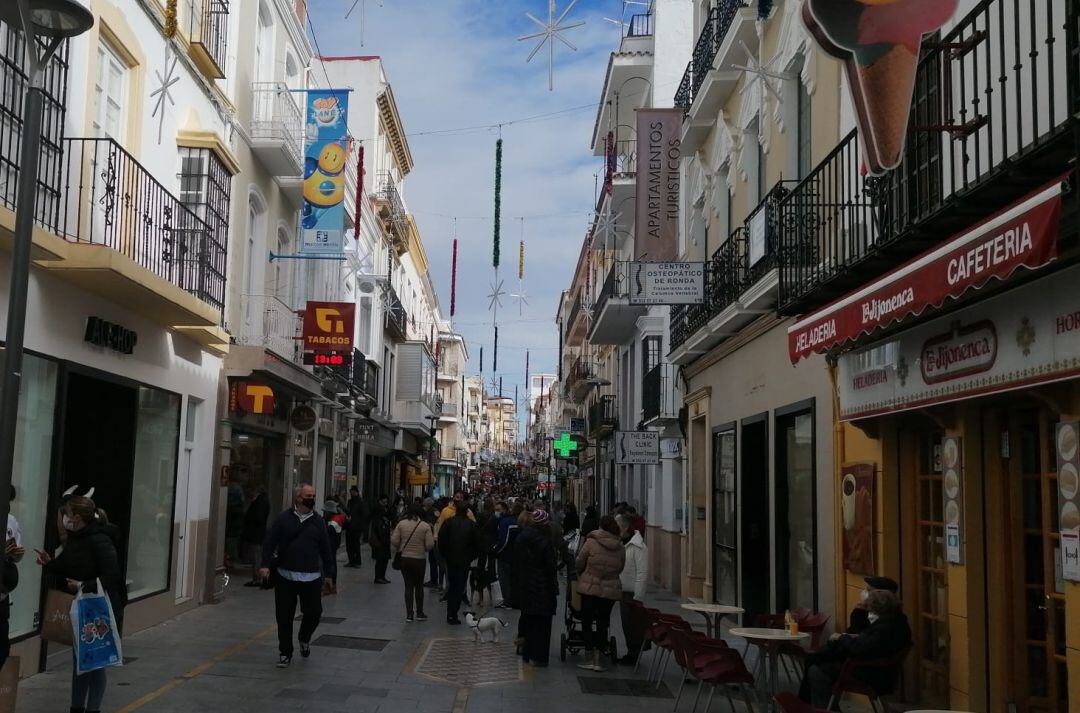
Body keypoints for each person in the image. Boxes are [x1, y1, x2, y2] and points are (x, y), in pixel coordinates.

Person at [35, 496, 125, 713]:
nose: (64, 518)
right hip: (82, 605)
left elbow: (112, 576)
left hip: (100, 607)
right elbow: (68, 565)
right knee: (81, 662)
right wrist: (50, 564)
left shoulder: (100, 539)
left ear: (76, 517)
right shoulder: (77, 538)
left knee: (95, 661)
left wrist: (84, 585)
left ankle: (92, 709)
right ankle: (76, 707)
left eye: (66, 513)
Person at [259, 484, 337, 668]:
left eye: (313, 495)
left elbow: (326, 550)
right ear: (298, 498)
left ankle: (304, 637)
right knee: (284, 616)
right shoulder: (283, 518)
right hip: (285, 576)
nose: (312, 498)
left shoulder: (318, 522)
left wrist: (329, 575)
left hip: (311, 577)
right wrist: (264, 565)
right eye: (308, 495)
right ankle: (285, 652)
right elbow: (269, 542)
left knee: (314, 613)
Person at [800, 590, 912, 708]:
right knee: (817, 658)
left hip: (869, 672)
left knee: (816, 670)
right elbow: (868, 641)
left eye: (870, 610)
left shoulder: (886, 628)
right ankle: (805, 705)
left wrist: (842, 638)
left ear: (879, 609)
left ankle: (808, 705)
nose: (869, 614)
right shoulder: (895, 623)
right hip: (871, 667)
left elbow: (861, 649)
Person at [575, 515, 625, 672]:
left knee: (587, 620)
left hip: (590, 587)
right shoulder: (620, 546)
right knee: (603, 622)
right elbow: (620, 567)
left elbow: (579, 562)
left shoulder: (591, 542)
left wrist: (584, 572)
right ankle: (599, 655)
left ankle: (589, 655)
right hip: (610, 589)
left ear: (601, 527)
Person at [512, 509, 557, 666]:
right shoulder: (546, 541)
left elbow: (516, 561)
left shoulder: (521, 538)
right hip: (543, 586)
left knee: (528, 619)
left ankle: (526, 652)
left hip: (525, 584)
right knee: (543, 624)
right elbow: (550, 567)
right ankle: (540, 657)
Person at [391, 503, 435, 623]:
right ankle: (419, 613)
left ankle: (409, 614)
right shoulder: (425, 526)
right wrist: (423, 549)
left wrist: (401, 546)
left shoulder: (401, 524)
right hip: (419, 559)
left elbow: (394, 540)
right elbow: (430, 545)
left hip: (405, 559)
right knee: (419, 586)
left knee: (408, 586)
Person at [437, 499, 477, 624]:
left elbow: (441, 540)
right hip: (464, 561)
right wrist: (470, 557)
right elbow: (477, 544)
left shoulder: (448, 523)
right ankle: (453, 613)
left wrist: (445, 555)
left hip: (451, 559)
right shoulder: (471, 525)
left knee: (452, 585)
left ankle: (450, 613)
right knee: (459, 587)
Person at [616, 514, 648, 665]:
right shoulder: (623, 543)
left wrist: (638, 596)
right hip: (623, 590)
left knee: (632, 624)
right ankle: (631, 651)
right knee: (626, 624)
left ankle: (634, 653)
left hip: (632, 593)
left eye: (618, 527)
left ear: (625, 527)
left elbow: (642, 572)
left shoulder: (638, 547)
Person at [240, 487, 270, 587]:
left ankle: (258, 578)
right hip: (257, 533)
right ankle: (258, 578)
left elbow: (258, 517)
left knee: (256, 556)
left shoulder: (260, 502)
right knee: (256, 555)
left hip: (256, 534)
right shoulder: (262, 501)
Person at [495, 501, 523, 608]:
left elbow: (504, 540)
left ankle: (507, 600)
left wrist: (497, 551)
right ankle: (516, 600)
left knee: (504, 579)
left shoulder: (506, 522)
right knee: (515, 579)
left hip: (505, 555)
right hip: (518, 556)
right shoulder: (523, 522)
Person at [368, 495, 393, 584]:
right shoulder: (377, 512)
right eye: (384, 502)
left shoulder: (385, 511)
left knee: (384, 559)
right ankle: (378, 577)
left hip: (384, 540)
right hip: (380, 540)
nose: (385, 504)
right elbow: (377, 528)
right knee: (380, 560)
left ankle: (382, 576)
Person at [344, 486, 368, 568]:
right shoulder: (350, 501)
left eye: (352, 492)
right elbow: (348, 511)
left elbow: (364, 515)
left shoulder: (361, 502)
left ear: (356, 492)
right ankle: (351, 561)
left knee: (356, 545)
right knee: (349, 545)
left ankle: (357, 562)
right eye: (350, 492)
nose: (351, 493)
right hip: (349, 526)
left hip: (357, 527)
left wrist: (360, 525)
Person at [421, 498, 442, 590]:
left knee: (433, 560)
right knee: (432, 559)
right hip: (433, 537)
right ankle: (434, 580)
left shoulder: (433, 512)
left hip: (434, 538)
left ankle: (434, 581)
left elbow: (433, 523)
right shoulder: (433, 511)